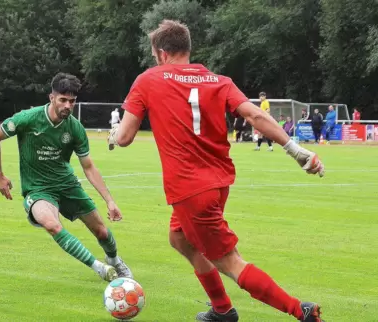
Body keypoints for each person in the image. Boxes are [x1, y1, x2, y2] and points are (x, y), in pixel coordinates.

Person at [108, 20, 324, 322]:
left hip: (189, 188)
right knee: (179, 238)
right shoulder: (218, 80)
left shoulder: (148, 79)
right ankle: (222, 310)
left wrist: (115, 129)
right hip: (218, 182)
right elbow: (253, 115)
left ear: (159, 52)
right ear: (186, 48)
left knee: (230, 262)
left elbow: (125, 137)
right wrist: (297, 151)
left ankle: (299, 310)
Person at [0, 72, 133, 283]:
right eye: (63, 100)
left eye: (72, 101)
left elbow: (89, 166)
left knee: (102, 232)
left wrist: (109, 201)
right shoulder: (28, 119)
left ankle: (114, 260)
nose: (67, 105)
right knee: (52, 224)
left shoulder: (75, 129)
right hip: (38, 189)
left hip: (67, 185)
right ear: (52, 98)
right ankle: (100, 268)